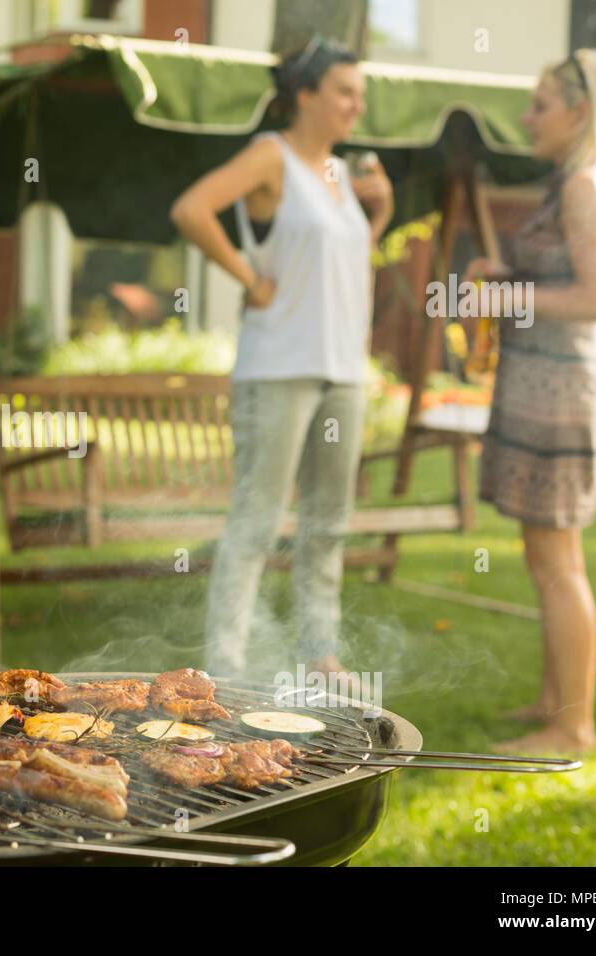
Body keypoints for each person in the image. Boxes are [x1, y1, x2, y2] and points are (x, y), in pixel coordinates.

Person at [170, 37, 392, 687]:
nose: (357, 107)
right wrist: (247, 275)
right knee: (257, 523)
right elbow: (191, 208)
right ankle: (226, 669)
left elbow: (340, 259)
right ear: (307, 95)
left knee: (327, 524)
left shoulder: (341, 175)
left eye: (361, 96)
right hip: (278, 369)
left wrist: (382, 210)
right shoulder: (273, 157)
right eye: (346, 93)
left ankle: (319, 657)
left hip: (342, 371)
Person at [468, 50, 596, 756]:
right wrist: (503, 274)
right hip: (544, 387)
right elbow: (565, 280)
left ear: (578, 110)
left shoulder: (585, 186)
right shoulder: (582, 179)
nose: (526, 117)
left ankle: (574, 727)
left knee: (558, 562)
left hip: (558, 394)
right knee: (547, 558)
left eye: (539, 105)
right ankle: (553, 702)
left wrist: (501, 294)